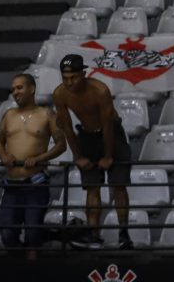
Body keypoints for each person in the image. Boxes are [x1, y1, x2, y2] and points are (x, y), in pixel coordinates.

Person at [52, 54, 133, 250]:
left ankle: (124, 234)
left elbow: (108, 126)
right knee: (92, 187)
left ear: (83, 74)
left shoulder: (100, 90)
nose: (69, 82)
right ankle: (93, 235)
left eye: (73, 77)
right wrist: (78, 156)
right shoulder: (60, 93)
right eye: (65, 78)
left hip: (113, 134)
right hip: (87, 136)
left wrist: (108, 156)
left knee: (118, 185)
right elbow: (67, 127)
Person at [0, 73, 67, 260]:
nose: (15, 92)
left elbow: (61, 144)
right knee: (7, 234)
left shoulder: (47, 114)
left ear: (32, 89)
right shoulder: (8, 115)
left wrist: (40, 158)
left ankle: (32, 267)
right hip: (11, 185)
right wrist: (4, 156)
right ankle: (21, 266)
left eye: (19, 87)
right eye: (13, 89)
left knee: (33, 235)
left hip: (35, 184)